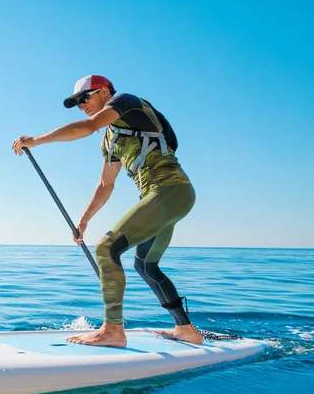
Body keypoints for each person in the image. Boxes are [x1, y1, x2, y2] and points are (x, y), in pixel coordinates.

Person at [11, 75, 203, 347]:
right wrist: (83, 221)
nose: (81, 105)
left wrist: (36, 140)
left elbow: (89, 126)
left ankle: (113, 330)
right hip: (165, 198)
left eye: (84, 98)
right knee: (145, 265)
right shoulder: (111, 139)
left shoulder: (126, 101)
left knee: (105, 249)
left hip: (170, 191)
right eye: (76, 103)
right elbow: (105, 184)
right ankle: (186, 329)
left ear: (103, 92)